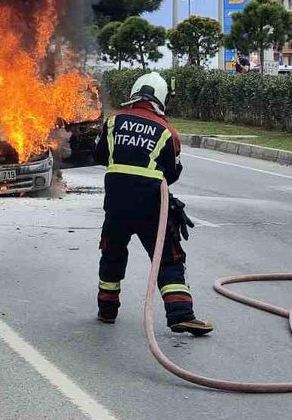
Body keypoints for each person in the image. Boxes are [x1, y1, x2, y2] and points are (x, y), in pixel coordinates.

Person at [91, 72, 213, 335]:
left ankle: (107, 311)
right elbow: (173, 173)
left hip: (116, 204)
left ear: (135, 93)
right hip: (151, 206)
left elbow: (99, 155)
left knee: (112, 252)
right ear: (161, 98)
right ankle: (181, 314)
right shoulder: (167, 132)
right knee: (168, 257)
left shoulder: (113, 122)